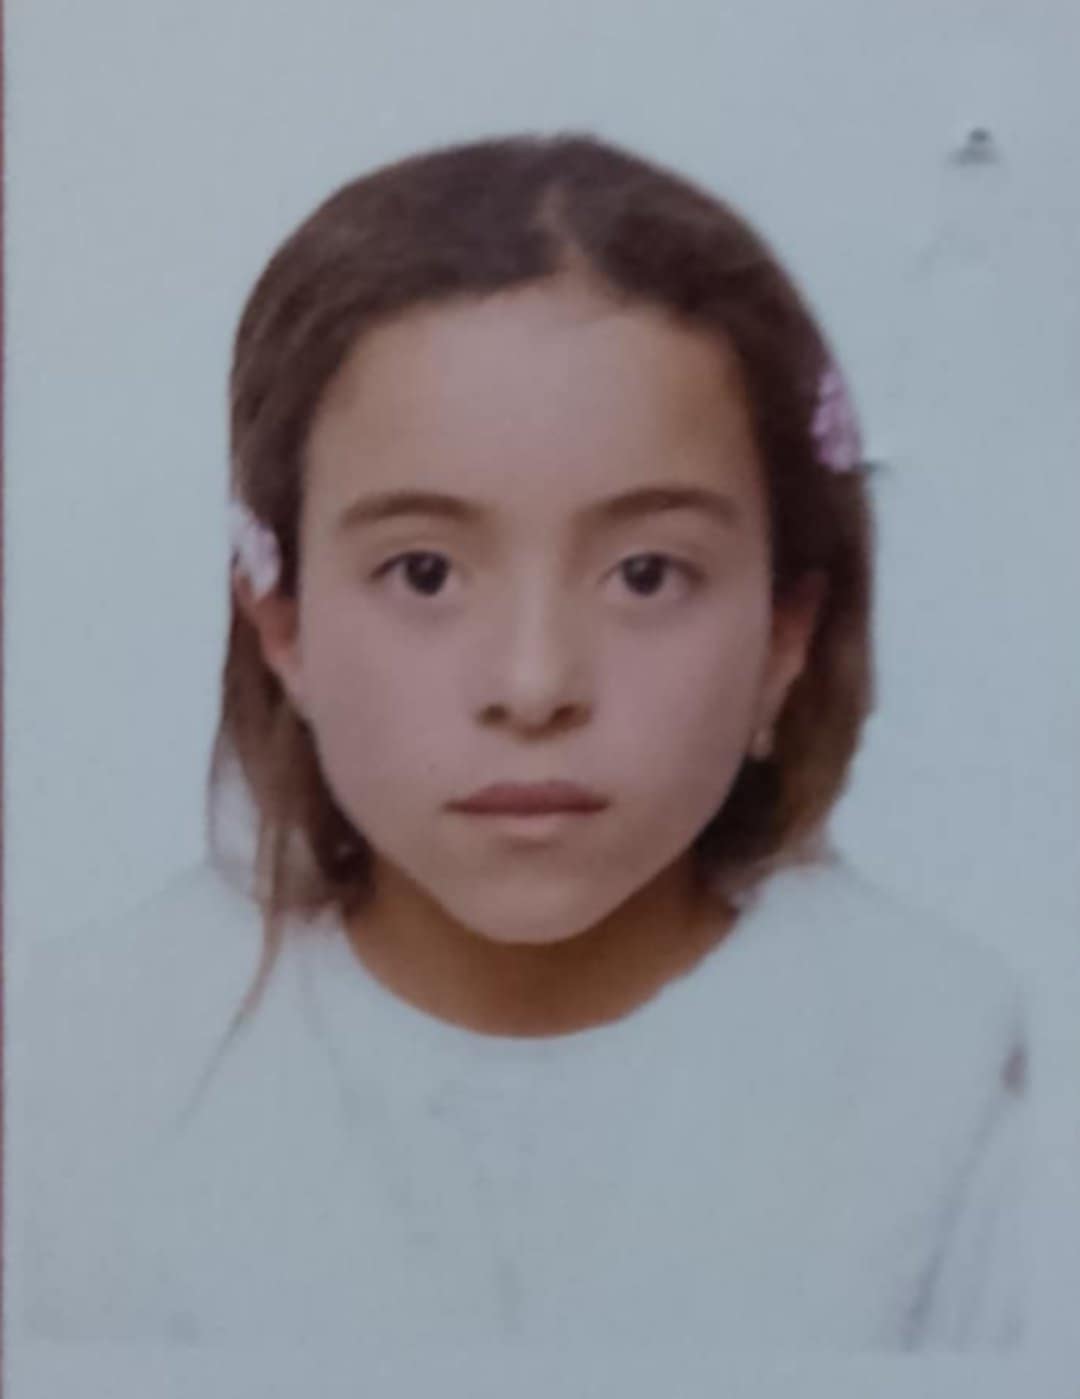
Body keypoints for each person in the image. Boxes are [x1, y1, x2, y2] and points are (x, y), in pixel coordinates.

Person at [9, 133, 1026, 1356]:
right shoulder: (84, 1076)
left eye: (646, 574)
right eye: (424, 573)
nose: (534, 685)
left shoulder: (955, 1089)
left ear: (785, 634)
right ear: (282, 624)